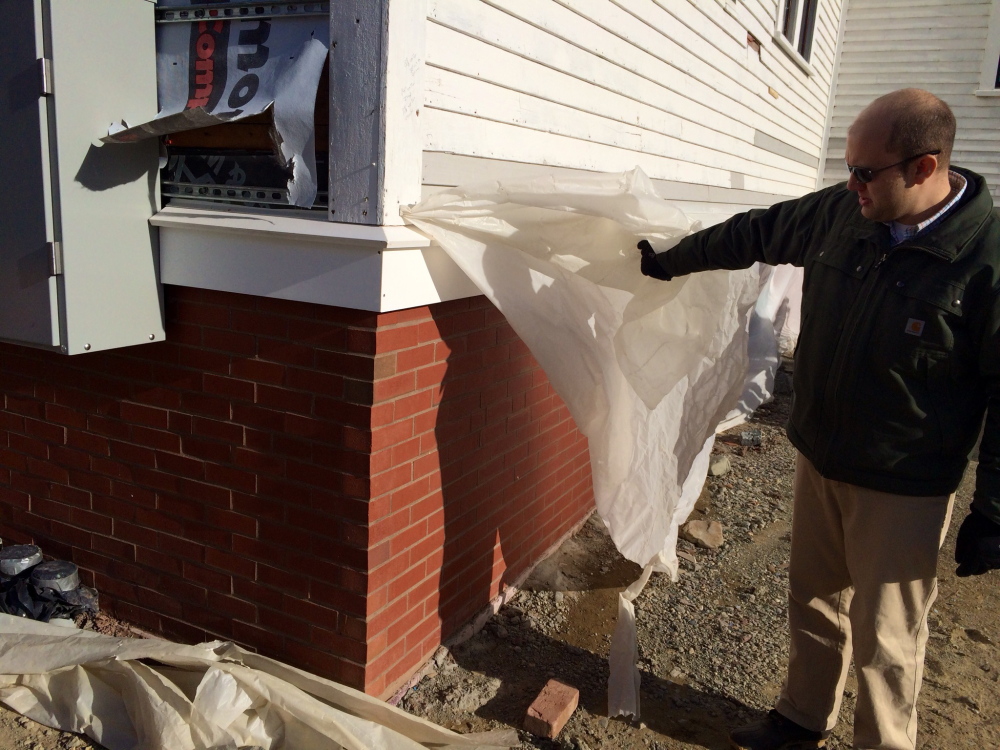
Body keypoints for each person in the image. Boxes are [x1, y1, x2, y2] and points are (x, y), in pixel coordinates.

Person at [639, 88, 1000, 750]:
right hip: (820, 453)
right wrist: (673, 259)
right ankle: (803, 718)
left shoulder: (985, 260)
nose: (851, 183)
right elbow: (759, 230)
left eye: (866, 171)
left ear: (924, 167)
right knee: (813, 599)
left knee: (887, 636)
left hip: (902, 482)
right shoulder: (846, 214)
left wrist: (995, 510)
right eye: (848, 166)